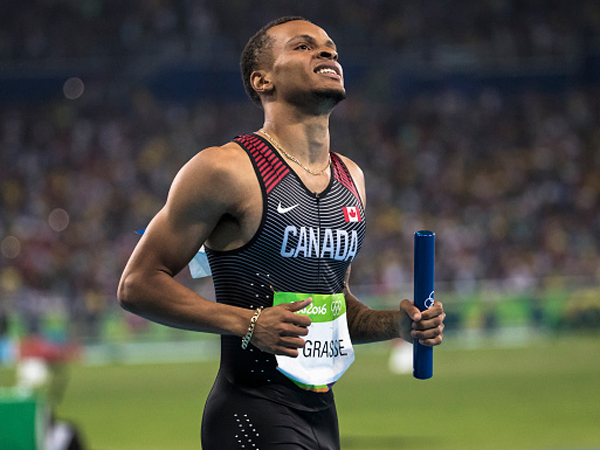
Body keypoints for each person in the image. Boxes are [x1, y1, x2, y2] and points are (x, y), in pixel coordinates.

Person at [118, 15, 445, 450]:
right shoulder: (224, 169)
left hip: (322, 416)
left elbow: (333, 309)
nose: (327, 52)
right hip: (250, 412)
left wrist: (397, 325)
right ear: (263, 80)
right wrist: (247, 322)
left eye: (330, 46)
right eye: (304, 46)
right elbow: (136, 284)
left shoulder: (352, 178)